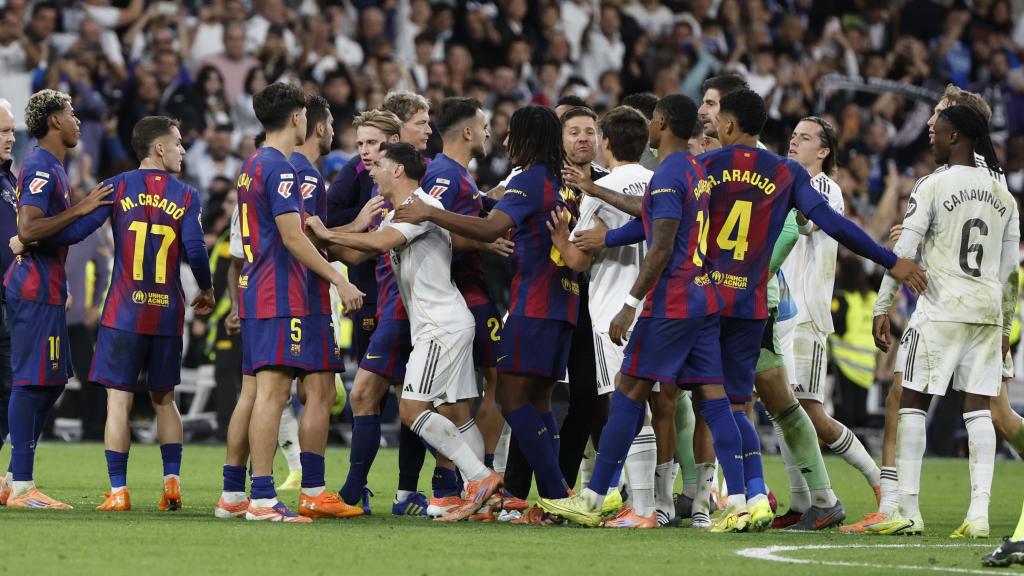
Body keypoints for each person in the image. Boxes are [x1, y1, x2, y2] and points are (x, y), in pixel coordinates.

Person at [537, 94, 747, 530]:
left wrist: (630, 306)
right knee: (712, 402)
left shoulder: (669, 172)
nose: (651, 123)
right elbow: (652, 213)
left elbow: (662, 244)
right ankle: (745, 500)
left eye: (655, 117)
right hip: (702, 301)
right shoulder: (689, 169)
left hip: (669, 303)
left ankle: (614, 502)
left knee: (628, 395)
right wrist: (594, 188)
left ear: (664, 122)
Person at [845, 84, 1024, 534]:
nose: (930, 132)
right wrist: (1005, 325)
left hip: (941, 304)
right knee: (980, 411)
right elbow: (1010, 272)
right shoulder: (1004, 194)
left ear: (954, 137)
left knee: (911, 401)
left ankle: (906, 509)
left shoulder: (933, 183)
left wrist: (883, 304)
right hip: (985, 310)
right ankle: (978, 515)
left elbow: (903, 252)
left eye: (938, 126)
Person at [393, 106, 576, 525]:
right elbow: (494, 209)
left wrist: (430, 213)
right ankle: (554, 495)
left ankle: (555, 495)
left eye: (513, 134)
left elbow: (492, 227)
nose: (506, 141)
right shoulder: (551, 181)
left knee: (511, 400)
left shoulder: (530, 180)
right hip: (561, 302)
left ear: (529, 139)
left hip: (535, 304)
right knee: (537, 401)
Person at [21, 116, 215, 511]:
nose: (183, 150)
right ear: (158, 148)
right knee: (165, 399)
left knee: (118, 401)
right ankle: (171, 483)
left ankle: (118, 492)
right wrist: (207, 288)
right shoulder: (187, 194)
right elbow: (195, 251)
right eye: (178, 143)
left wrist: (31, 239)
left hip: (124, 313)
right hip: (166, 314)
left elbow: (76, 233)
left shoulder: (118, 186)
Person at [307, 142, 502, 522]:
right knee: (459, 414)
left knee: (412, 409)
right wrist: (323, 241)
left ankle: (479, 478)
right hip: (446, 322)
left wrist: (328, 234)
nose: (372, 171)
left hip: (439, 326)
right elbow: (360, 254)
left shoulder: (418, 205)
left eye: (379, 164)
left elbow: (378, 242)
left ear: (398, 170)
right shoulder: (404, 210)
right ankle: (486, 496)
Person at [231, 82, 362, 523]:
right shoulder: (283, 169)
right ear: (296, 118)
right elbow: (293, 237)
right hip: (282, 293)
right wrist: (336, 280)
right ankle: (264, 497)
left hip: (263, 290)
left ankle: (244, 494)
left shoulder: (253, 164)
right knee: (273, 392)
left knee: (266, 391)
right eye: (305, 114)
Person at [1, 89, 113, 509]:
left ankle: (14, 475)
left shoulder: (56, 168)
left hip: (48, 289)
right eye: (70, 113)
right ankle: (22, 485)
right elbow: (30, 230)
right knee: (32, 382)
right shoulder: (42, 168)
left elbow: (61, 234)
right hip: (31, 289)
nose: (77, 120)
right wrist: (85, 206)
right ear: (53, 121)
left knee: (52, 382)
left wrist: (100, 210)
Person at [546, 104, 656, 524]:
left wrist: (560, 235)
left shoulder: (604, 187)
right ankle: (654, 501)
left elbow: (576, 259)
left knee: (624, 404)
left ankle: (638, 506)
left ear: (606, 143)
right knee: (657, 406)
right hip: (657, 307)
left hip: (614, 310)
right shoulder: (659, 182)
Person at [771, 116, 880, 527]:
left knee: (809, 412)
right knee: (782, 409)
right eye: (793, 136)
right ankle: (802, 503)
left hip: (807, 317)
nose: (794, 141)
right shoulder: (787, 182)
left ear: (824, 151)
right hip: (781, 312)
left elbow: (807, 221)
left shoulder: (824, 188)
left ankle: (878, 482)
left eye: (805, 138)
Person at [417, 97, 512, 517]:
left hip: (469, 293)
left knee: (459, 397)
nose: (490, 132)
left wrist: (487, 200)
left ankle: (451, 488)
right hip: (462, 295)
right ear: (468, 132)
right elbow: (425, 228)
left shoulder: (461, 177)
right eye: (485, 124)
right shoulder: (442, 174)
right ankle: (481, 477)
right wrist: (485, 239)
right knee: (499, 383)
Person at [286, 95, 361, 519]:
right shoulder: (308, 177)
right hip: (307, 296)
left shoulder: (277, 167)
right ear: (318, 127)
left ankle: (239, 491)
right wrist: (359, 230)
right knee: (321, 392)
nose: (333, 130)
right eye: (331, 122)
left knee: (269, 393)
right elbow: (314, 240)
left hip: (275, 295)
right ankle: (312, 489)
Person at [0, 100, 16, 487]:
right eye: (2, 131)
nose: (10, 139)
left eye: (11, 131)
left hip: (7, 300)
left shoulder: (7, 179)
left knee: (7, 387)